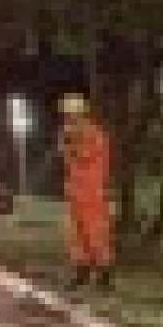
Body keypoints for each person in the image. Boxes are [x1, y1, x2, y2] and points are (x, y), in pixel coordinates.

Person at [57, 94, 115, 289]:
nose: (67, 120)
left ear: (79, 115)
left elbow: (84, 156)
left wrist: (69, 144)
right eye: (66, 116)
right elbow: (69, 161)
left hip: (92, 193)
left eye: (70, 115)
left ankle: (104, 275)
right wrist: (67, 145)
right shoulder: (73, 135)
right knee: (78, 236)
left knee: (95, 234)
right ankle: (81, 272)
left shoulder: (94, 135)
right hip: (76, 192)